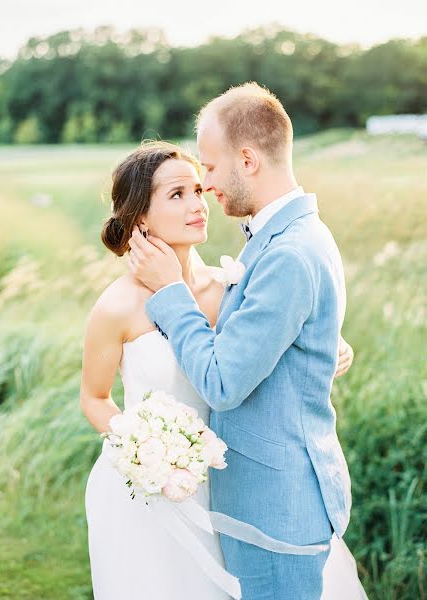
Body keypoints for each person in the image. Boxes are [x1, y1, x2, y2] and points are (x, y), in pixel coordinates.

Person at [81, 137, 362, 599]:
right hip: (152, 490)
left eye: (197, 189)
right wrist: (146, 448)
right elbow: (94, 398)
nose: (198, 204)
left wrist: (326, 345)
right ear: (139, 218)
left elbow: (267, 337)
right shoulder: (117, 307)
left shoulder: (230, 285)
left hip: (235, 483)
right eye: (177, 195)